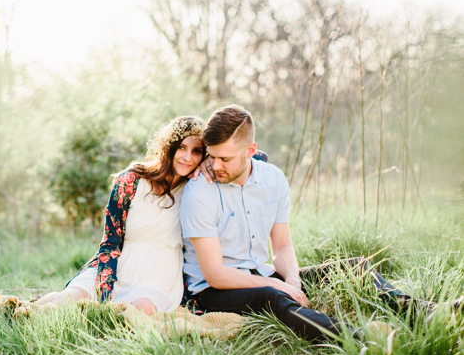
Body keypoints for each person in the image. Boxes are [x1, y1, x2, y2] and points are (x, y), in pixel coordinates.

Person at [181, 104, 458, 341]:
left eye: (225, 158)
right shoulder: (200, 191)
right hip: (212, 291)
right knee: (272, 297)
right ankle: (361, 340)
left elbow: (282, 246)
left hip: (260, 274)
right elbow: (215, 273)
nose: (215, 166)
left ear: (251, 150)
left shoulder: (273, 179)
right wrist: (282, 287)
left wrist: (292, 278)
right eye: (211, 156)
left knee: (355, 267)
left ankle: (430, 313)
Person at [37, 116, 207, 315]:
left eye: (197, 151)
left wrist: (209, 166)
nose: (188, 157)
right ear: (169, 146)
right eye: (181, 147)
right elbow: (110, 242)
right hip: (117, 266)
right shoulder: (131, 181)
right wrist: (105, 293)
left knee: (138, 311)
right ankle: (25, 310)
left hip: (157, 278)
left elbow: (245, 157)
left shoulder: (197, 187)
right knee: (72, 299)